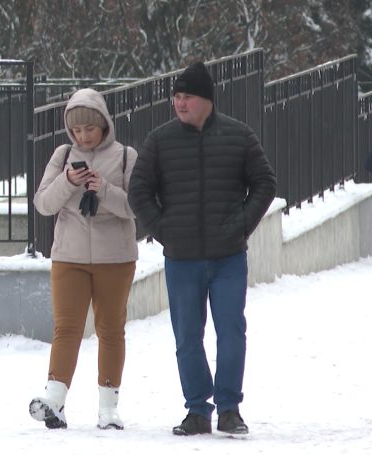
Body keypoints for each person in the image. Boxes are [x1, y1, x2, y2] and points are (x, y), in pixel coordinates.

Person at [128, 61, 277, 436]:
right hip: (182, 259)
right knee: (187, 337)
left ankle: (229, 408)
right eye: (176, 97)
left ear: (206, 100)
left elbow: (264, 183)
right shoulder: (160, 140)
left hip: (228, 257)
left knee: (231, 332)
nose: (179, 103)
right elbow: (138, 191)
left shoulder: (239, 136)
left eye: (187, 97)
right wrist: (164, 231)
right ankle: (197, 409)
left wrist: (241, 225)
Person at [29, 88, 138, 430]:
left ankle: (108, 408)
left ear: (104, 125)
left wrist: (103, 189)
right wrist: (67, 181)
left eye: (89, 129)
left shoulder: (125, 156)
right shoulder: (63, 155)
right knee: (66, 328)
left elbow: (136, 207)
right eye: (76, 130)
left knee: (110, 330)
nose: (83, 136)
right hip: (69, 256)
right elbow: (43, 203)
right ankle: (54, 400)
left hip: (115, 258)